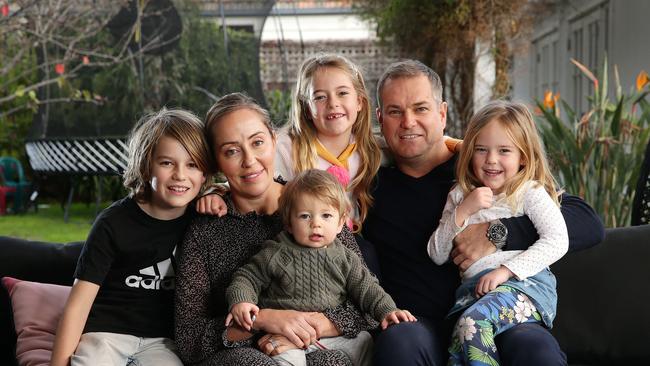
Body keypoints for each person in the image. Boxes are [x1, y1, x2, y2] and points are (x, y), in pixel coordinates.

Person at [362, 59, 605, 366]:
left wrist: (497, 233)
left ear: (442, 113)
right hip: (418, 324)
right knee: (400, 342)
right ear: (380, 118)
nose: (408, 122)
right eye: (395, 111)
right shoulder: (368, 187)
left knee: (534, 348)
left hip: (497, 310)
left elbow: (586, 220)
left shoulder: (481, 166)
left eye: (421, 108)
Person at [174, 93, 373, 366]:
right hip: (236, 358)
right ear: (216, 161)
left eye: (257, 142)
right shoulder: (205, 229)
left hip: (316, 346)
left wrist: (303, 327)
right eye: (231, 151)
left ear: (273, 139)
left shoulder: (314, 205)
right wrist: (266, 320)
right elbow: (189, 338)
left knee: (333, 362)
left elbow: (368, 307)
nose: (249, 160)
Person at [50, 109, 212, 366]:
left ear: (204, 174)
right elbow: (78, 306)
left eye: (192, 164)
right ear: (146, 166)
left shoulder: (204, 220)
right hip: (106, 334)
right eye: (167, 163)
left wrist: (220, 192)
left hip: (162, 342)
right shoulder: (113, 223)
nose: (180, 175)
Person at [225, 169, 416, 366]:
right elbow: (246, 277)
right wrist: (242, 301)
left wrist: (387, 310)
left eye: (326, 216)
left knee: (365, 341)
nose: (316, 224)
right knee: (288, 360)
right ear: (289, 223)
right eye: (305, 216)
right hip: (288, 336)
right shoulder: (276, 253)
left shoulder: (344, 257)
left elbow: (367, 287)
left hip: (329, 334)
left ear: (341, 222)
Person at [428, 101, 568, 365]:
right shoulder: (460, 195)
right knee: (458, 350)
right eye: (481, 150)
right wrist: (462, 211)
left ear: (523, 156)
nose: (491, 160)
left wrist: (505, 270)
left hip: (525, 287)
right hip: (474, 293)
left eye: (504, 150)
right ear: (470, 153)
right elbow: (437, 254)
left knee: (471, 324)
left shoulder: (530, 192)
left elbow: (558, 240)